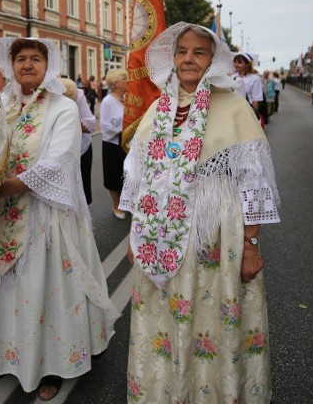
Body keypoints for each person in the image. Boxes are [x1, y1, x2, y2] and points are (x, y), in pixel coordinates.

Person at [120, 23, 281, 402]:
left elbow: (253, 182)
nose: (189, 59)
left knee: (211, 320)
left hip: (215, 238)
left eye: (199, 52)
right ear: (172, 59)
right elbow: (138, 176)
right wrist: (134, 235)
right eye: (182, 52)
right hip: (158, 239)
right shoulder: (159, 108)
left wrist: (252, 245)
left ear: (214, 60)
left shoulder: (233, 106)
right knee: (165, 318)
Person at [0, 38, 118, 400]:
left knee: (43, 292)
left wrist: (8, 187)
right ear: (10, 66)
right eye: (20, 59)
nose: (27, 65)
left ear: (48, 65)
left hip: (43, 216)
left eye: (34, 59)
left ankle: (53, 365)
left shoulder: (62, 107)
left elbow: (60, 158)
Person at [99, 68, 129, 219]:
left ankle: (126, 201)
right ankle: (116, 205)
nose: (127, 81)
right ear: (116, 83)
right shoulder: (107, 101)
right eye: (124, 79)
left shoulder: (126, 99)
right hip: (112, 144)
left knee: (126, 173)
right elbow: (105, 127)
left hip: (126, 142)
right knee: (113, 176)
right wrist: (123, 128)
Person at [61, 77, 96, 204]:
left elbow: (91, 124)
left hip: (82, 150)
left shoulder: (76, 92)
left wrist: (70, 122)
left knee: (82, 188)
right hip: (58, 153)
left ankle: (84, 221)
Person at [232, 53, 263, 122]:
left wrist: (253, 116)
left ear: (247, 64)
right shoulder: (232, 77)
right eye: (235, 62)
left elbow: (256, 99)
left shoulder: (255, 78)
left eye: (239, 62)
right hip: (233, 110)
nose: (236, 65)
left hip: (247, 110)